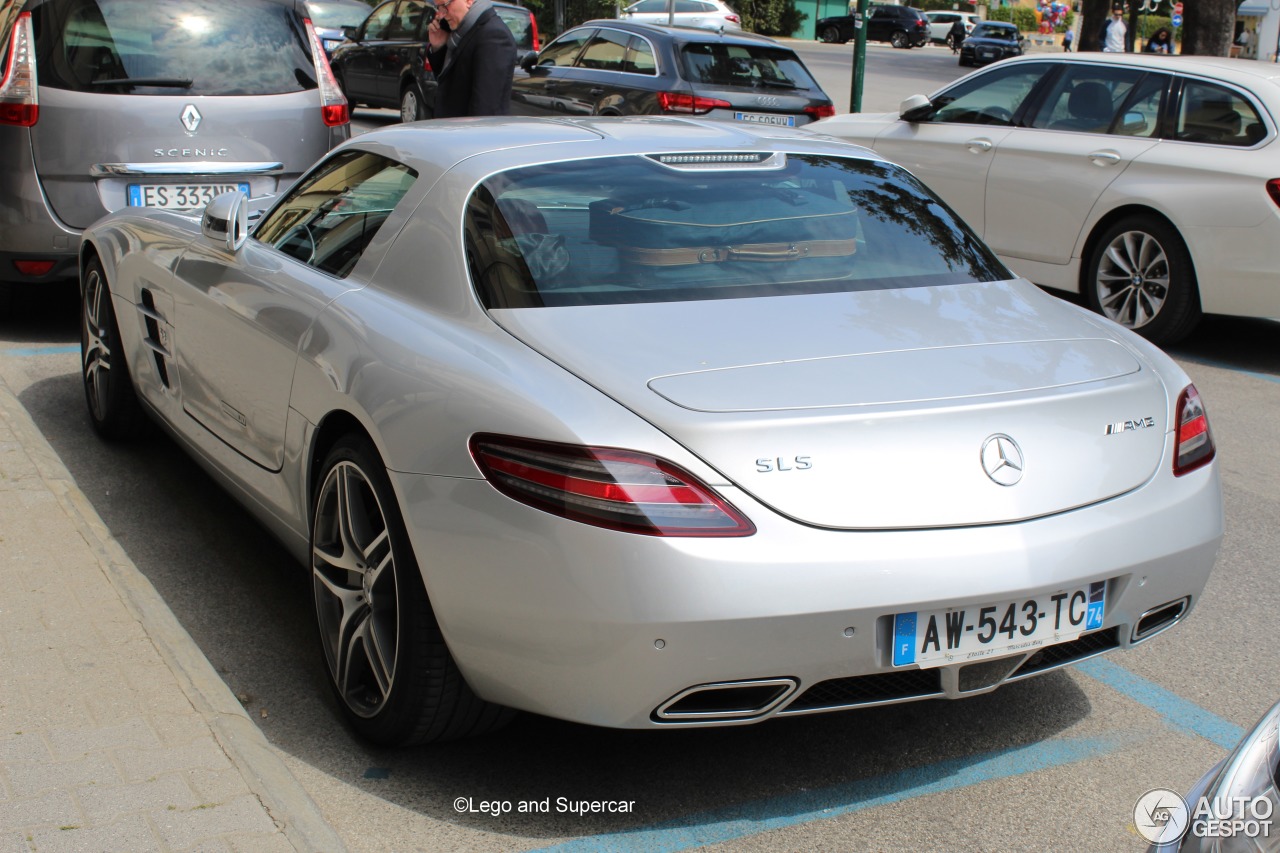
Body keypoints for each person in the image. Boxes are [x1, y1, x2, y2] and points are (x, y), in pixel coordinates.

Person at [425, 0, 516, 118]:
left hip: (468, 132)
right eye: (438, 7)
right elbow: (451, 82)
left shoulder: (493, 35)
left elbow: (485, 107)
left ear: (468, 1)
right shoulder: (461, 31)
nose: (441, 14)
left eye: (445, 5)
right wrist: (439, 47)